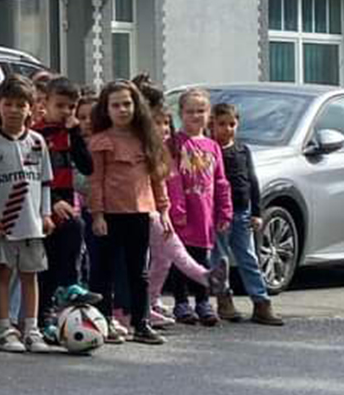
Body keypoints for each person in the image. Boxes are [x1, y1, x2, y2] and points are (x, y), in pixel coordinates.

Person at [0, 75, 55, 353]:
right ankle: (3, 325)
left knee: (30, 275)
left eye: (20, 104)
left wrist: (46, 214)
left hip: (32, 223)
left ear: (30, 108)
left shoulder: (36, 143)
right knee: (3, 272)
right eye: (8, 103)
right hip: (5, 224)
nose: (14, 109)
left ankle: (30, 328)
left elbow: (45, 183)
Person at [88, 79, 169, 345]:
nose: (122, 110)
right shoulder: (101, 141)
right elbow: (96, 180)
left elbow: (157, 177)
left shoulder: (145, 139)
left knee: (139, 271)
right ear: (106, 109)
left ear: (136, 106)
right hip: (110, 214)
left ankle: (141, 323)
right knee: (104, 271)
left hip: (139, 213)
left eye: (127, 104)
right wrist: (97, 214)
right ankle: (102, 321)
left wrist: (163, 209)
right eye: (116, 105)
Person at [165, 87, 233, 326]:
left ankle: (203, 301)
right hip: (183, 211)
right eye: (190, 111)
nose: (196, 116)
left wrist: (225, 210)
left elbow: (221, 180)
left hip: (205, 211)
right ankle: (181, 302)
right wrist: (178, 210)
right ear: (181, 114)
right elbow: (172, 179)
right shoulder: (174, 143)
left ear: (209, 114)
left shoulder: (212, 146)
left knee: (203, 257)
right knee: (182, 258)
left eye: (201, 111)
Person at [212, 102, 283, 326]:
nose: (227, 129)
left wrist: (257, 212)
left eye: (232, 124)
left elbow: (252, 181)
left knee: (249, 258)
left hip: (242, 212)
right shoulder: (210, 150)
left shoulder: (243, 150)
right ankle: (224, 300)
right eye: (222, 124)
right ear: (212, 125)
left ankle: (261, 302)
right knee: (220, 259)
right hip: (218, 214)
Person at [32, 75, 91, 334]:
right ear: (45, 103)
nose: (66, 111)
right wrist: (52, 202)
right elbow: (33, 175)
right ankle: (42, 317)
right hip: (44, 203)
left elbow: (87, 166)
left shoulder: (71, 134)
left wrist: (76, 134)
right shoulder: (36, 134)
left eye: (71, 106)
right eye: (61, 105)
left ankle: (67, 291)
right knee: (46, 264)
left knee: (68, 244)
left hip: (66, 201)